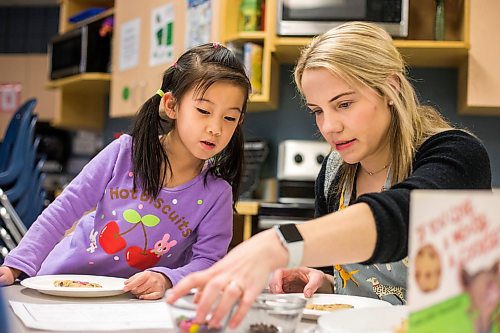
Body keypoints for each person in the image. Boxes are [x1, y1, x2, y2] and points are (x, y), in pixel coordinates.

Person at [166, 22, 492, 329]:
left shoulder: (457, 154)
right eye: (318, 111)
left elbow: (407, 217)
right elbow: (356, 286)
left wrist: (277, 244)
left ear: (390, 89)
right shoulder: (335, 172)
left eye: (344, 104)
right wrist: (322, 281)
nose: (329, 127)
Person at [0, 43, 251, 300]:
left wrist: (167, 278)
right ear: (172, 106)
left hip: (130, 303)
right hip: (63, 282)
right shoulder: (124, 153)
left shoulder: (216, 193)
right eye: (204, 111)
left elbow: (209, 261)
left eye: (229, 118)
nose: (215, 128)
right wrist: (16, 265)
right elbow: (63, 210)